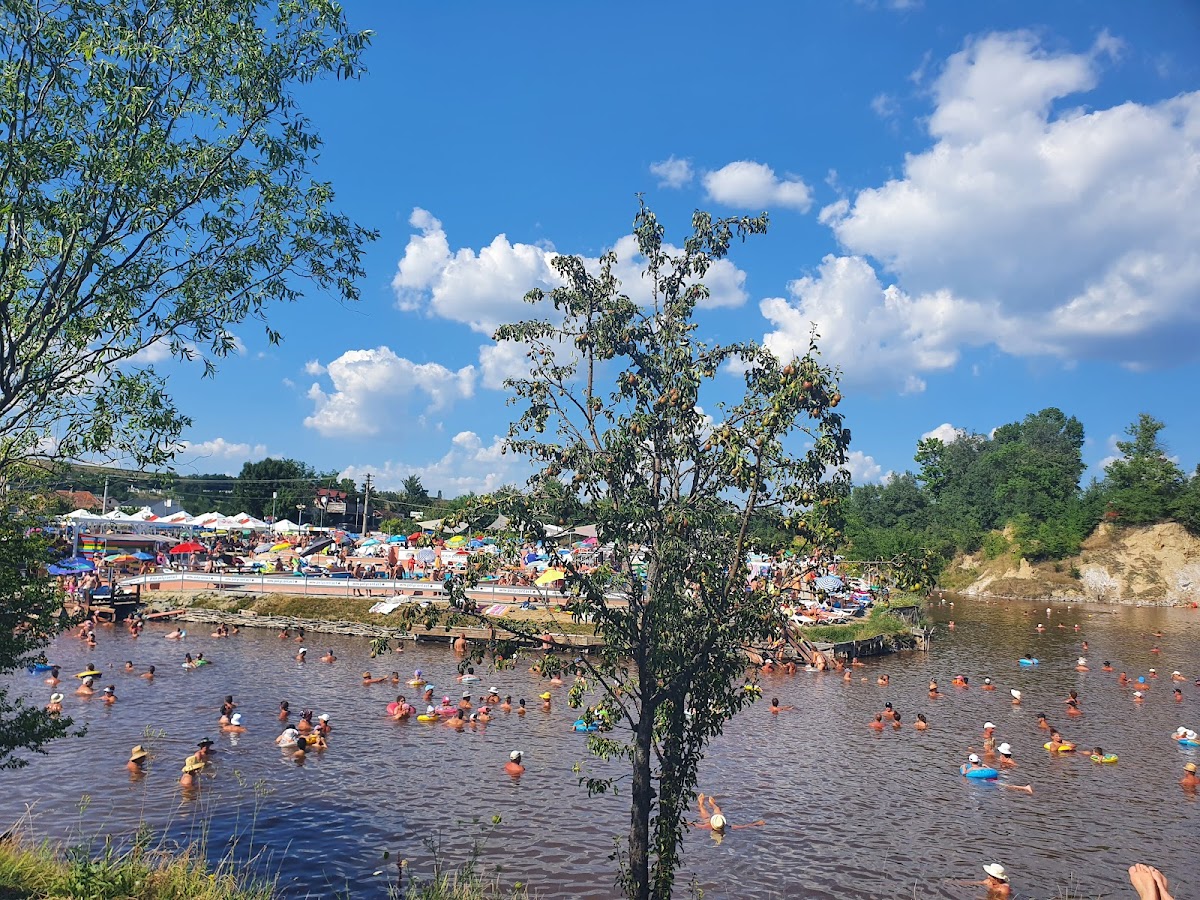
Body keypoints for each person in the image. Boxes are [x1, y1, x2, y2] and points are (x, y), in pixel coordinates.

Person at [690, 793, 764, 834]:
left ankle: (701, 803)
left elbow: (694, 824)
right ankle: (712, 804)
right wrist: (756, 823)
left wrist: (682, 822)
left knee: (704, 812)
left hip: (707, 821)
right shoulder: (727, 827)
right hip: (712, 821)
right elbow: (744, 826)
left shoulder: (707, 826)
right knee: (717, 810)